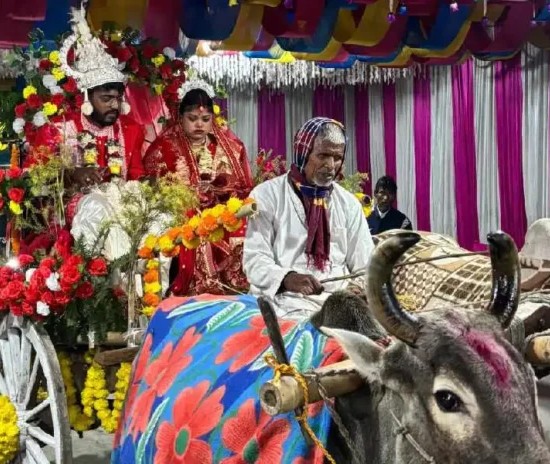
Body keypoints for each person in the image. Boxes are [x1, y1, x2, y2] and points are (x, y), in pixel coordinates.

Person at [243, 117, 375, 319]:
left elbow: (366, 265)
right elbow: (254, 260)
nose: (331, 166)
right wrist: (287, 278)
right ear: (303, 153)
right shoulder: (266, 195)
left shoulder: (348, 204)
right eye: (322, 155)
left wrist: (358, 287)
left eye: (337, 157)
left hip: (337, 304)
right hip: (283, 301)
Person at [143, 77, 253, 295]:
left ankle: (237, 287)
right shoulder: (163, 148)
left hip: (223, 211)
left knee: (243, 224)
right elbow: (155, 188)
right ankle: (202, 287)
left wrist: (219, 193)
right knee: (197, 228)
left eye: (205, 118)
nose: (199, 124)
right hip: (182, 213)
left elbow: (243, 188)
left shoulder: (232, 148)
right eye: (192, 118)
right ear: (180, 117)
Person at [25, 7, 146, 190]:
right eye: (106, 98)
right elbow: (31, 175)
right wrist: (71, 174)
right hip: (70, 213)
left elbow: (136, 175)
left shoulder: (130, 129)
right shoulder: (58, 129)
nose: (115, 105)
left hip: (121, 211)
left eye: (118, 98)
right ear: (87, 96)